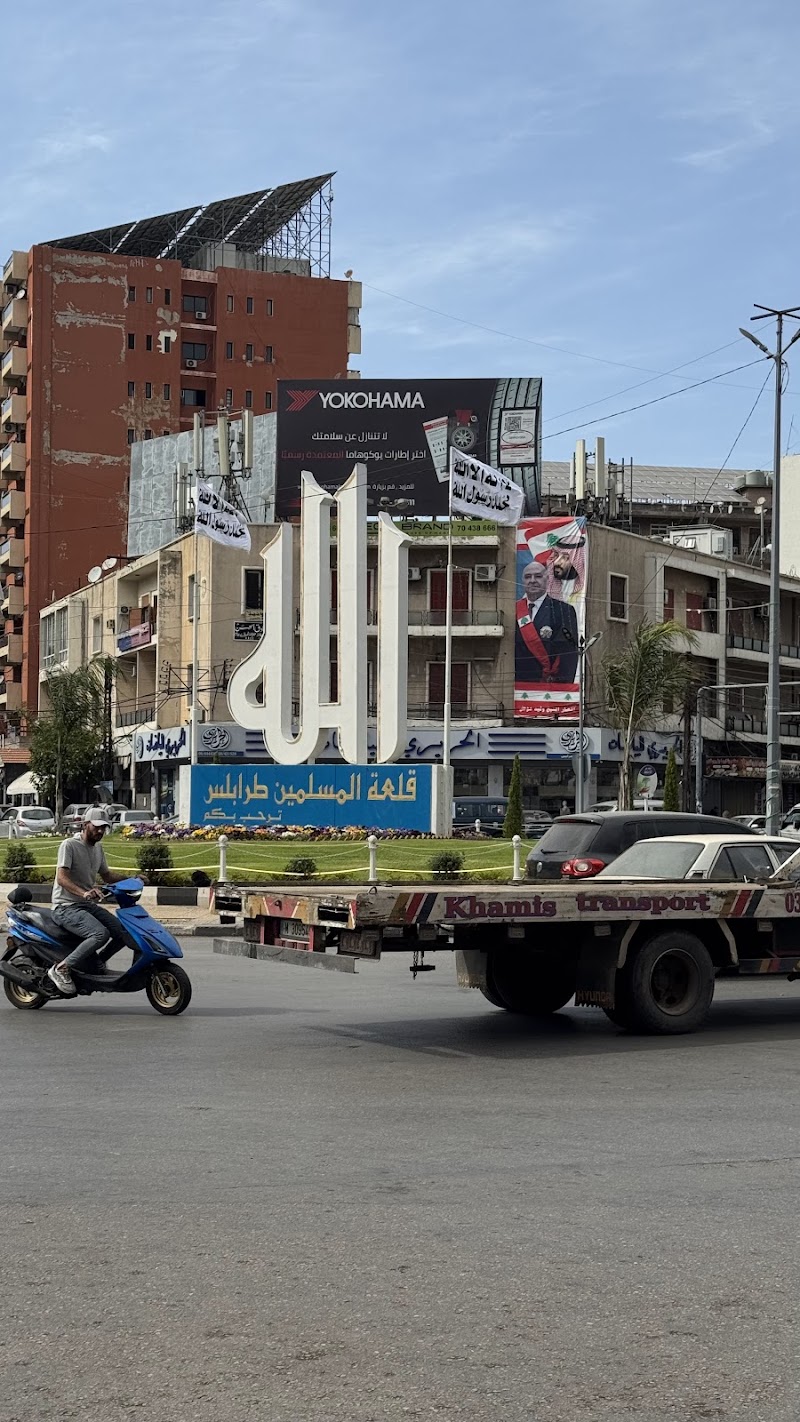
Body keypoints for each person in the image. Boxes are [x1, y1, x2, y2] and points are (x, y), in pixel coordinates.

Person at [47, 807, 129, 996]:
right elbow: (62, 878)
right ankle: (61, 969)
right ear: (85, 825)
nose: (100, 831)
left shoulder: (97, 848)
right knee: (100, 934)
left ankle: (95, 964)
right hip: (65, 907)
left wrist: (132, 879)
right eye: (96, 827)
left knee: (124, 932)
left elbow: (107, 876)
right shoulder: (69, 845)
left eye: (103, 828)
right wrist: (84, 893)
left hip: (86, 905)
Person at [515, 560, 579, 684]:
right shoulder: (513, 610)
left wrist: (561, 685)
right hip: (515, 684)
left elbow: (568, 653)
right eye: (527, 577)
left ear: (548, 579)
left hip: (548, 684)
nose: (532, 580)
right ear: (522, 581)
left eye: (538, 576)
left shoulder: (563, 610)